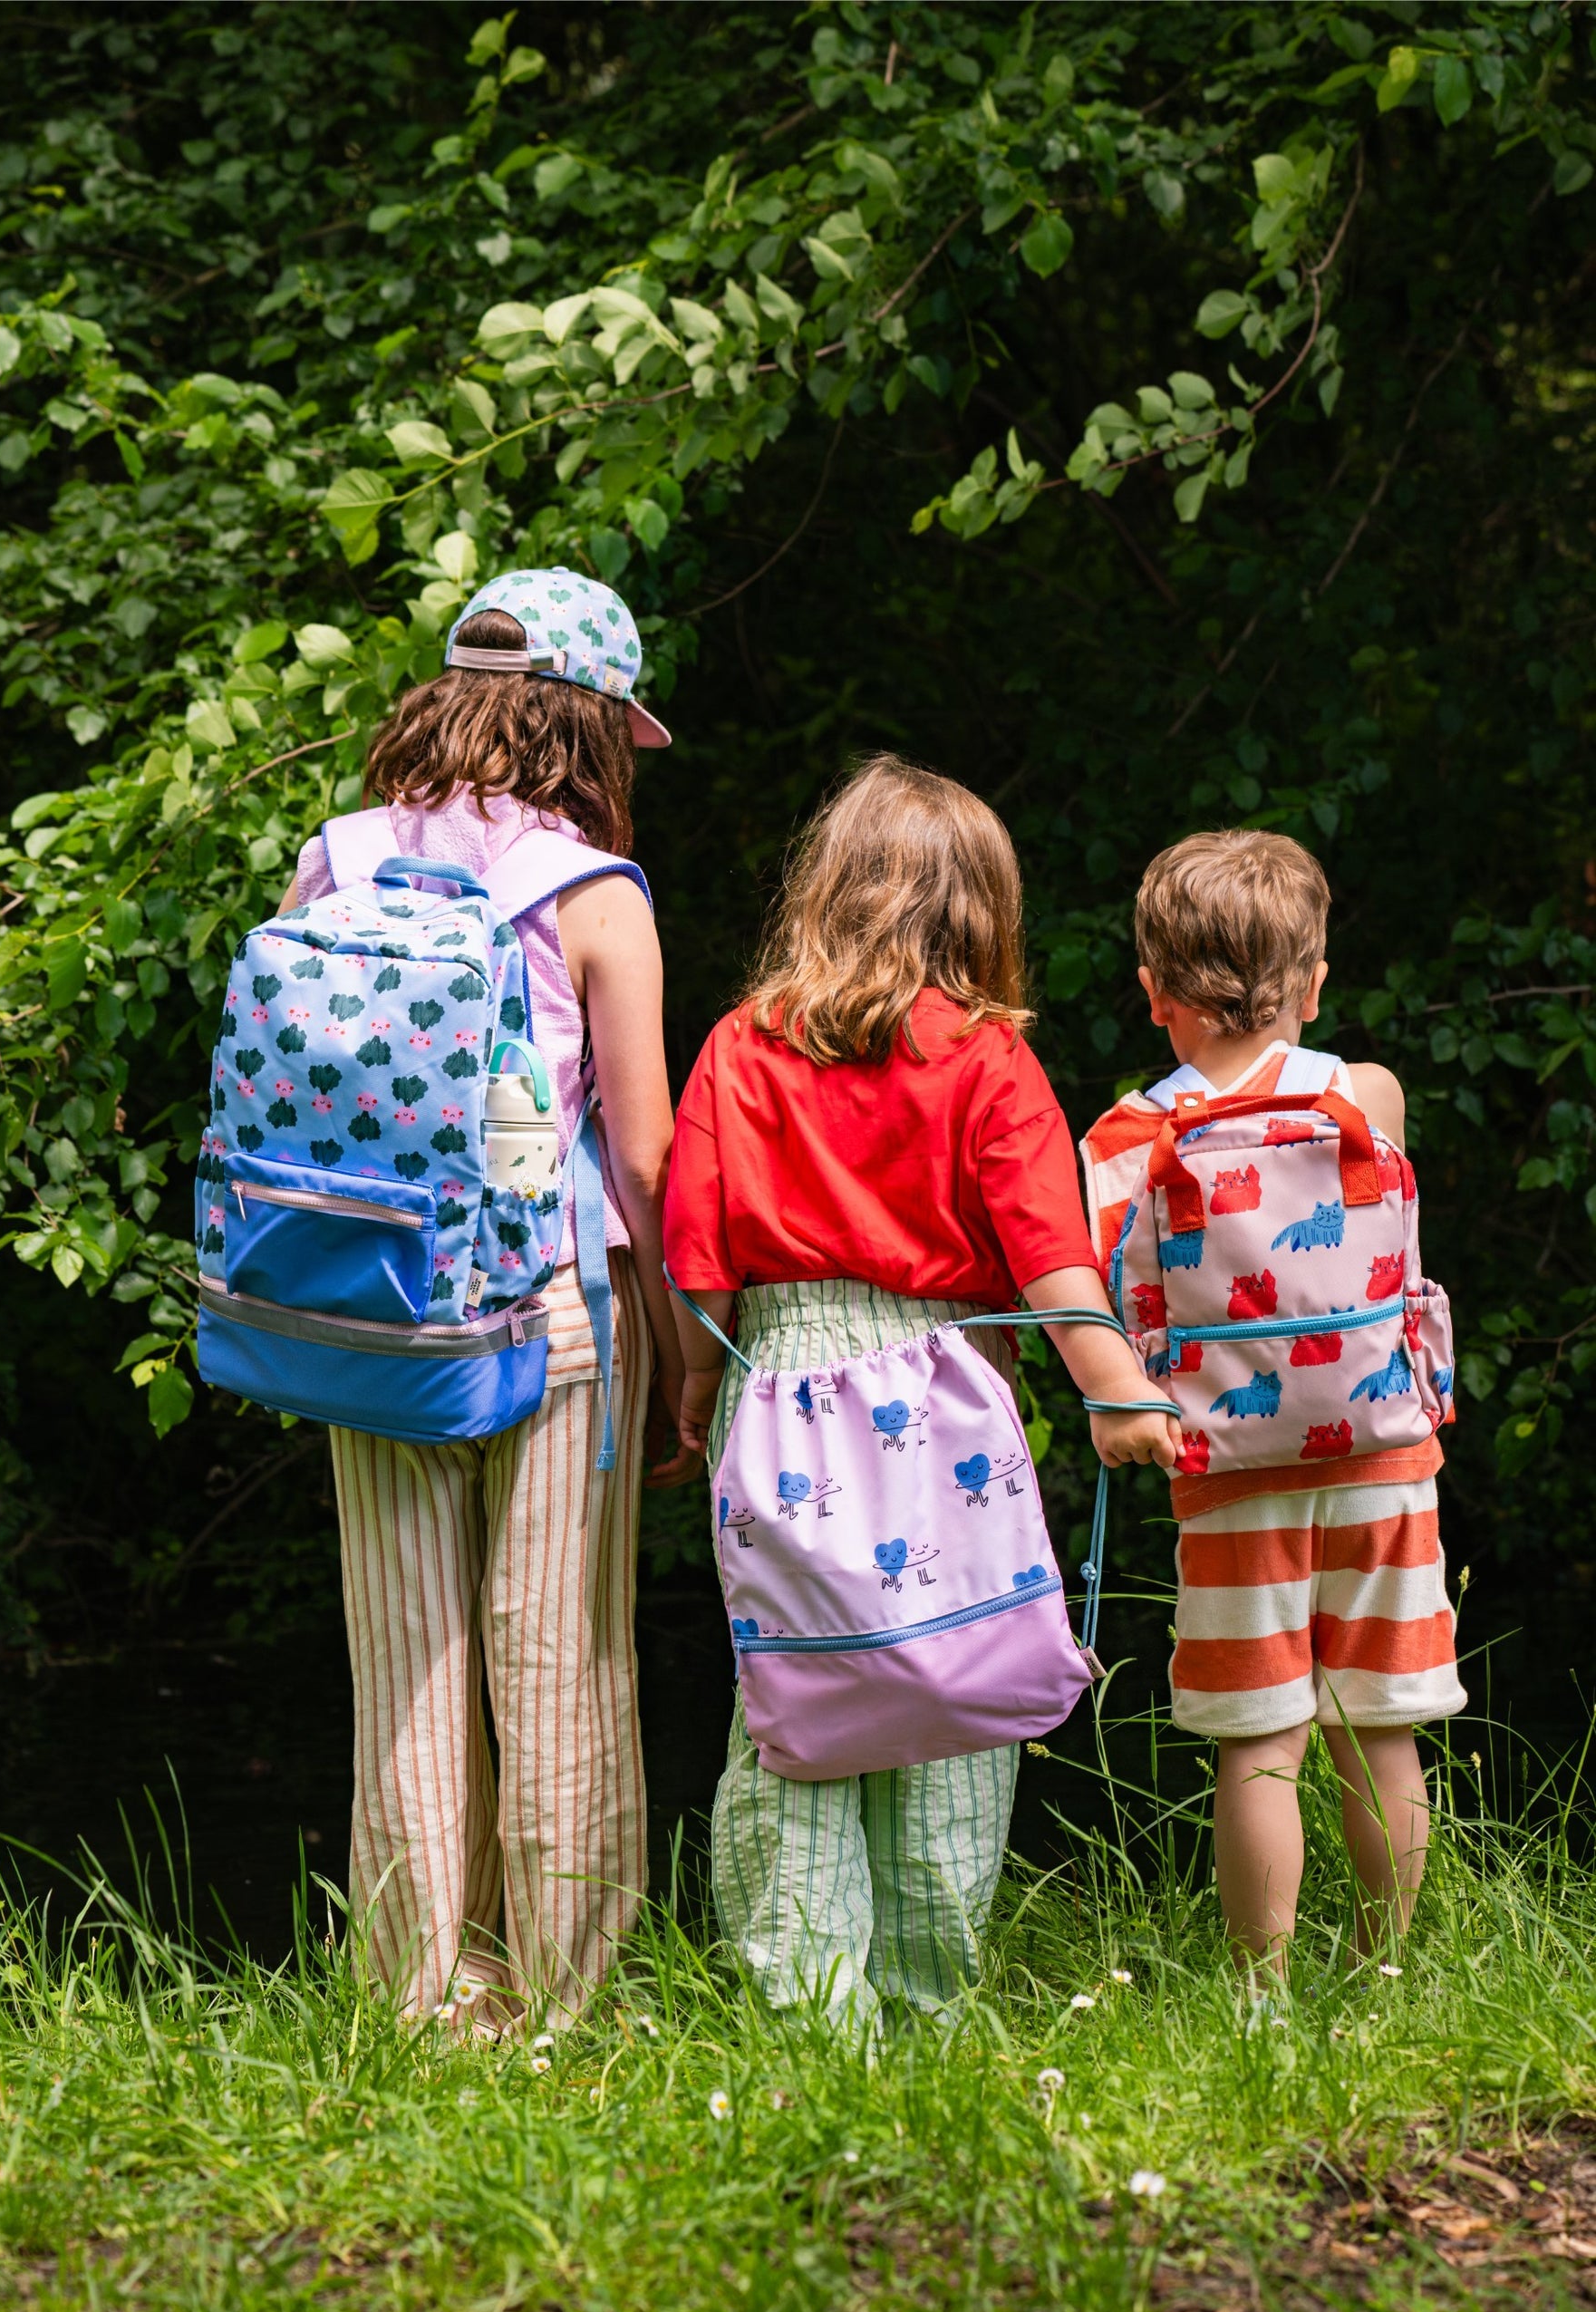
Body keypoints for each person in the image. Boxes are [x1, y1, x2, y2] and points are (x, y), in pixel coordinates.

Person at [663, 753, 1175, 2027]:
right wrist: (1117, 1390)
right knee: (953, 1694)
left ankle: (810, 2015)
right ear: (984, 912)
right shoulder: (989, 1063)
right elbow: (1053, 1258)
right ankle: (929, 2001)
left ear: (825, 892)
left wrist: (690, 1386)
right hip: (943, 1388)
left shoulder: (741, 1044)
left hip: (773, 1380)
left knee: (801, 1696)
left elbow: (697, 1262)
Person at [281, 567, 700, 2033]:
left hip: (369, 1304)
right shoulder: (590, 893)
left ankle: (418, 2002)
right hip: (550, 1313)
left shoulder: (330, 861)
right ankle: (565, 2005)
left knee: (405, 1658)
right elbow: (642, 1160)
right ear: (583, 724)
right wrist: (687, 1359)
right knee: (559, 1652)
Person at [1080, 831, 1465, 1984]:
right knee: (1380, 1730)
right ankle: (1386, 1965)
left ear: (1153, 994)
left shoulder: (1126, 1142)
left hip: (1230, 1475)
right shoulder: (1368, 1095)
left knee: (1259, 1751)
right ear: (1314, 982)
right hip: (1387, 1462)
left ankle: (1260, 1995)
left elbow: (1090, 1307)